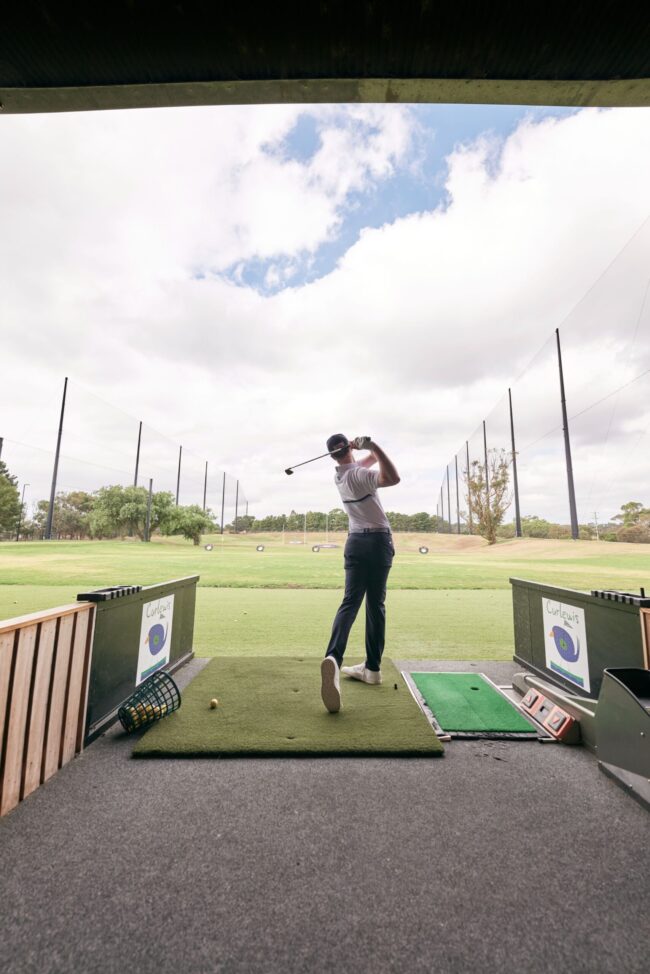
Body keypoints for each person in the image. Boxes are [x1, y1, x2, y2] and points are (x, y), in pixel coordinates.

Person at [320, 434, 400, 713]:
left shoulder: (341, 476)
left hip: (355, 542)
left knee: (350, 602)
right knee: (375, 605)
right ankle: (374, 669)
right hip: (378, 543)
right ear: (347, 449)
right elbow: (393, 478)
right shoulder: (360, 475)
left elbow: (365, 461)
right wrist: (375, 445)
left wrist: (363, 448)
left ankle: (333, 657)